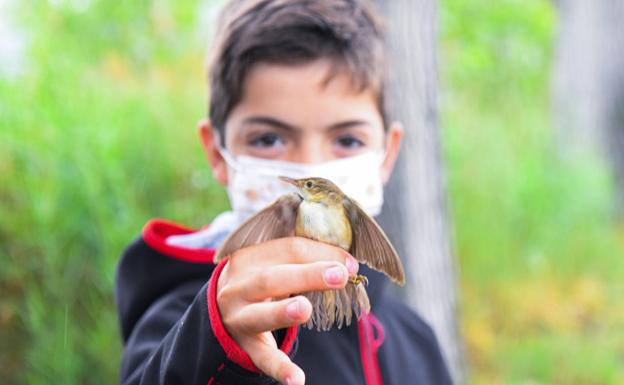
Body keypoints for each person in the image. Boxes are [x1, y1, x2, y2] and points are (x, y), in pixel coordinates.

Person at [115, 1, 452, 384]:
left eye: (346, 139)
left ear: (387, 154)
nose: (310, 166)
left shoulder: (414, 339)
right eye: (269, 138)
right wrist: (218, 345)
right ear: (216, 152)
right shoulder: (180, 320)